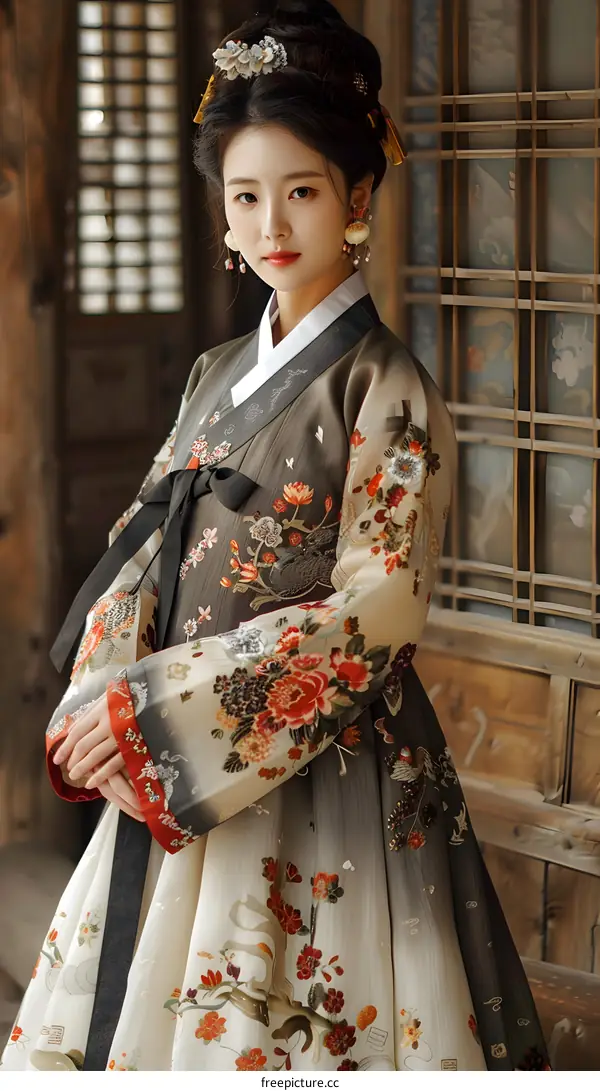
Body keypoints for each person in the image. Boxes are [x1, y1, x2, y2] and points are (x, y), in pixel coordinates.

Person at [1, 0, 549, 1073]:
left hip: (321, 762)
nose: (271, 225)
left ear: (358, 195)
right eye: (246, 195)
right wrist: (105, 699)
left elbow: (377, 606)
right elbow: (142, 539)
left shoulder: (385, 384)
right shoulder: (214, 371)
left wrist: (156, 714)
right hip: (168, 749)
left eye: (300, 190)